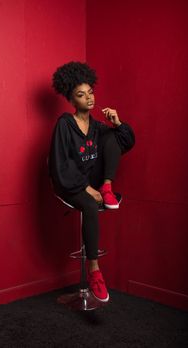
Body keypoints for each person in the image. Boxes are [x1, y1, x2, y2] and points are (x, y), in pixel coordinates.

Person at [48, 61, 135, 302]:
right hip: (69, 184)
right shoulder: (65, 124)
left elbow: (126, 142)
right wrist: (86, 188)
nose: (88, 98)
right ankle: (95, 271)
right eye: (80, 95)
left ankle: (108, 186)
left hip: (94, 182)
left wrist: (117, 123)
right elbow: (59, 164)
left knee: (112, 136)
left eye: (91, 92)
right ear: (72, 100)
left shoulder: (97, 126)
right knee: (88, 205)